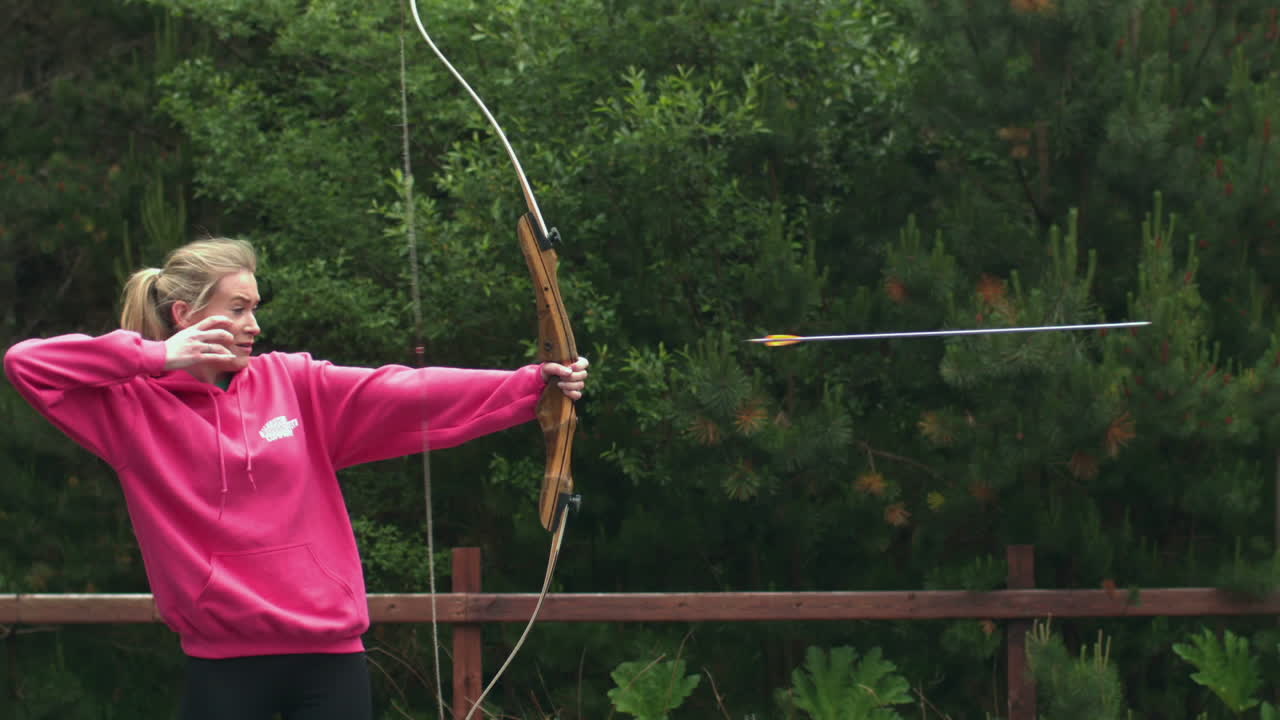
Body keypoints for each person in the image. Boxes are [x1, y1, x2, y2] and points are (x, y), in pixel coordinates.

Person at [2, 236, 589, 720]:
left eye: (254, 307)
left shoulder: (293, 383)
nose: (253, 324)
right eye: (237, 309)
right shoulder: (130, 407)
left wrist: (530, 385)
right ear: (184, 316)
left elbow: (404, 390)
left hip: (329, 658)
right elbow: (26, 363)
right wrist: (155, 357)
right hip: (222, 664)